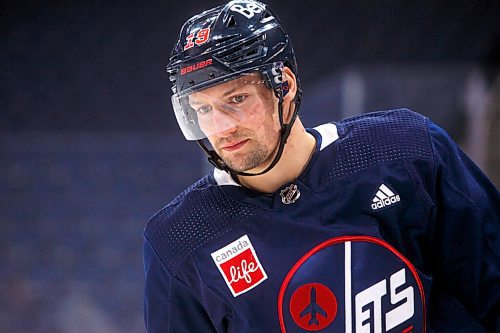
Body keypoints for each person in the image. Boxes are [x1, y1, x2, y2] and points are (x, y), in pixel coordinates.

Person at [142, 0, 500, 331]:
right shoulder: (179, 242)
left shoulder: (408, 154)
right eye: (203, 109)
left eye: (236, 99)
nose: (222, 127)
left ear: (284, 86)